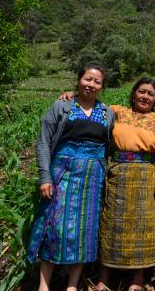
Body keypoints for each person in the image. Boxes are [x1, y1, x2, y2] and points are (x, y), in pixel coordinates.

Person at [27, 64, 114, 291]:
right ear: (79, 80)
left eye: (96, 81)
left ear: (102, 86)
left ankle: (72, 285)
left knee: (85, 229)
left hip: (93, 177)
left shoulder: (107, 112)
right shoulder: (62, 106)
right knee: (54, 225)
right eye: (87, 79)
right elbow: (44, 141)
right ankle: (43, 285)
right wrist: (45, 175)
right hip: (62, 172)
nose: (91, 85)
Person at [97, 78, 155, 291]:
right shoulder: (116, 111)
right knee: (112, 224)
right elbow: (91, 106)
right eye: (142, 91)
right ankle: (104, 278)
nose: (145, 96)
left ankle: (137, 281)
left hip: (147, 176)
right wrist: (71, 96)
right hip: (118, 174)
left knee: (144, 226)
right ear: (133, 94)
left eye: (150, 94)